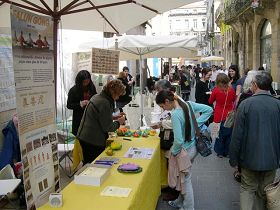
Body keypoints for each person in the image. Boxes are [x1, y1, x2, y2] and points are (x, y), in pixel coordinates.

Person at [229, 71, 280, 210]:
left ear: (255, 85)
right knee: (265, 190)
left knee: (247, 188)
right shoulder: (277, 104)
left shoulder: (246, 104)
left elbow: (237, 135)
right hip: (272, 158)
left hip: (249, 157)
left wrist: (233, 158)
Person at [156, 90, 212, 210]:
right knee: (184, 178)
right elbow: (209, 110)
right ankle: (179, 202)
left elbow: (178, 141)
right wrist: (196, 123)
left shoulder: (176, 114)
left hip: (184, 151)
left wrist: (173, 153)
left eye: (162, 106)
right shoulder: (188, 104)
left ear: (167, 101)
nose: (164, 109)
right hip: (193, 148)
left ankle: (188, 207)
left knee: (185, 180)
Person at [76, 80, 126, 164]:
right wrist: (119, 122)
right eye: (118, 95)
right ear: (112, 92)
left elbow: (99, 117)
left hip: (85, 136)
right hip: (92, 140)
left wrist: (114, 117)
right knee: (93, 166)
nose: (117, 98)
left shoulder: (98, 96)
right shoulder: (104, 102)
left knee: (88, 164)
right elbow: (108, 127)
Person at [208, 73, 236, 157]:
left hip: (219, 115)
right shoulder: (231, 90)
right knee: (228, 134)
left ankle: (219, 152)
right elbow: (234, 100)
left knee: (219, 134)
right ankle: (227, 151)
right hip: (229, 114)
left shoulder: (216, 90)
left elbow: (210, 101)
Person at [67, 70, 97, 136]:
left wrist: (92, 102)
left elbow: (95, 97)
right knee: (79, 136)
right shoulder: (73, 90)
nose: (86, 83)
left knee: (90, 136)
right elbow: (69, 105)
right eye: (84, 82)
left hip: (90, 117)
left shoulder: (92, 87)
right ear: (79, 81)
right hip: (79, 118)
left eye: (88, 81)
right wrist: (80, 104)